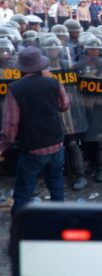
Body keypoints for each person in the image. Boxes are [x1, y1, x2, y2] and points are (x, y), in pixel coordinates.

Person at [0, 47, 70, 215]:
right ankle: (59, 222)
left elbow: (11, 125)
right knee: (56, 185)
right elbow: (64, 105)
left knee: (24, 191)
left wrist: (2, 147)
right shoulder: (53, 82)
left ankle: (20, 228)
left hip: (33, 147)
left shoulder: (16, 89)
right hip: (56, 142)